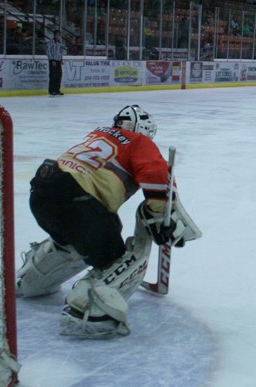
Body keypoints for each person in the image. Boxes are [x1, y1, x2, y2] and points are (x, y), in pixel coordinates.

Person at [16, 105, 201, 338]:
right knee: (116, 259)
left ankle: (31, 281)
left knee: (71, 242)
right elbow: (156, 173)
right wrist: (161, 212)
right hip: (80, 202)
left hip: (42, 193)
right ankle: (90, 310)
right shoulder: (138, 141)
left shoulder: (98, 134)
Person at [46, 30, 66, 96]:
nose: (58, 36)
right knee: (53, 76)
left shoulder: (60, 43)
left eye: (59, 35)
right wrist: (52, 60)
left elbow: (61, 52)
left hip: (58, 61)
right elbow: (48, 51)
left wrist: (61, 59)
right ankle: (52, 90)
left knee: (58, 76)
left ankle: (57, 90)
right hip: (53, 60)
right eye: (57, 35)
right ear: (54, 35)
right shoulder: (51, 42)